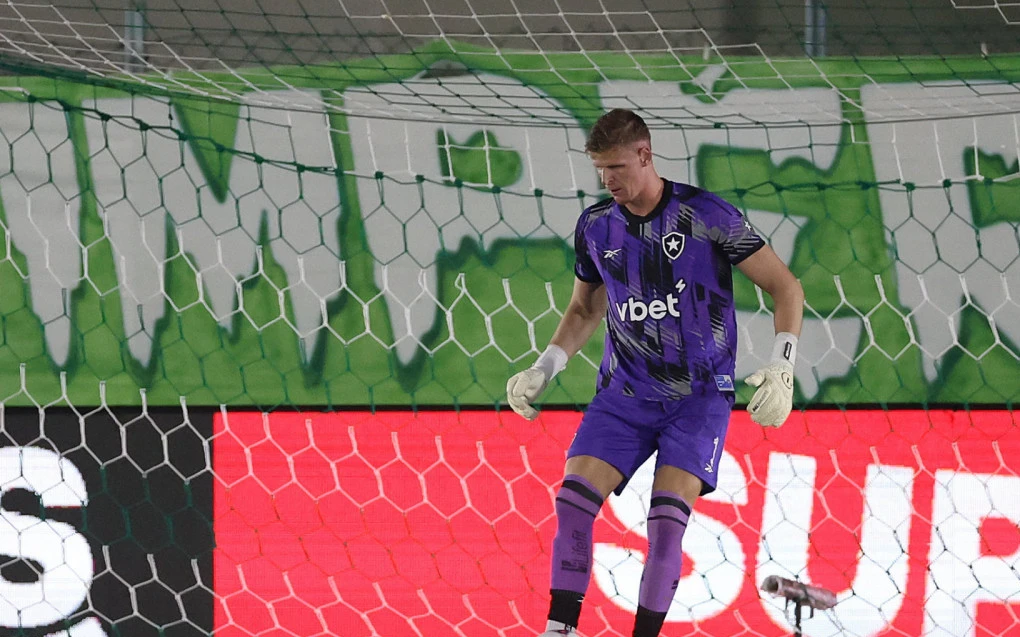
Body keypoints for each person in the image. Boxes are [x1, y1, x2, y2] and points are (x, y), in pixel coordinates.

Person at [506, 108, 805, 637]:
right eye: (601, 170)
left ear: (646, 155)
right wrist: (544, 367)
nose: (609, 180)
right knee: (573, 503)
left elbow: (786, 288)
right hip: (624, 393)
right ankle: (560, 628)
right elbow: (583, 310)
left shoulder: (706, 214)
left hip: (698, 398)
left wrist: (782, 367)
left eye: (617, 166)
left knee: (665, 525)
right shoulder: (597, 226)